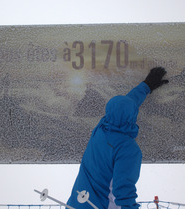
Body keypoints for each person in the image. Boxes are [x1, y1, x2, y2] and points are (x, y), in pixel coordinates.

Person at [66, 67, 169, 209]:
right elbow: (123, 190)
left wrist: (146, 86)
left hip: (77, 203)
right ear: (133, 115)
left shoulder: (101, 128)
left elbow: (123, 106)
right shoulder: (128, 149)